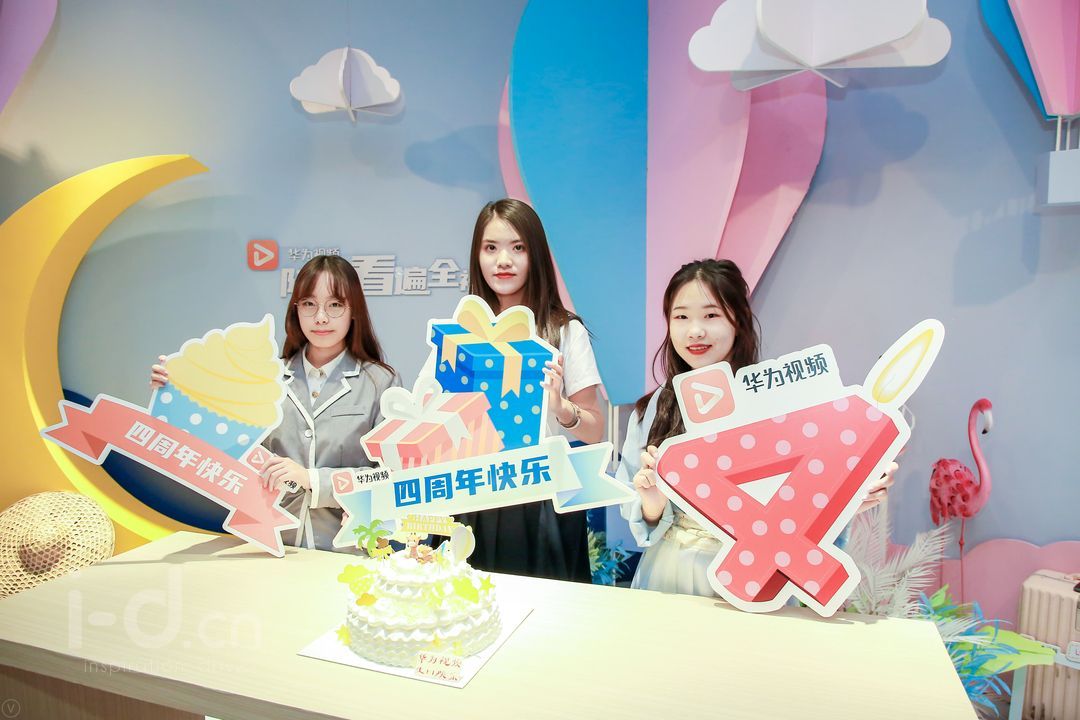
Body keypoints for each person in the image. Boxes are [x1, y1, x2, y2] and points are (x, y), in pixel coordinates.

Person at [617, 259, 893, 596]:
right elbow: (638, 512)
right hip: (668, 574)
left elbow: (802, 504)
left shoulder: (777, 403)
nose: (695, 331)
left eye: (711, 315)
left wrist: (848, 498)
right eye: (681, 317)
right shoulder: (654, 409)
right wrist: (652, 504)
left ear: (739, 320)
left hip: (753, 577)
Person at [152, 255, 399, 552]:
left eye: (335, 305)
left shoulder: (380, 382)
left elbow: (390, 478)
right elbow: (226, 449)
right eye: (309, 304)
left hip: (347, 551)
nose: (321, 317)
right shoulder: (263, 376)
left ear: (354, 310)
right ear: (296, 310)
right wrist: (176, 391)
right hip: (270, 548)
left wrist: (311, 479)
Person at [447, 198, 604, 581]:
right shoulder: (461, 330)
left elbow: (595, 428)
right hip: (473, 493)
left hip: (541, 499)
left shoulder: (565, 330)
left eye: (517, 247)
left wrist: (561, 407)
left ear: (535, 255)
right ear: (477, 256)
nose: (503, 260)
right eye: (491, 248)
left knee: (544, 611)